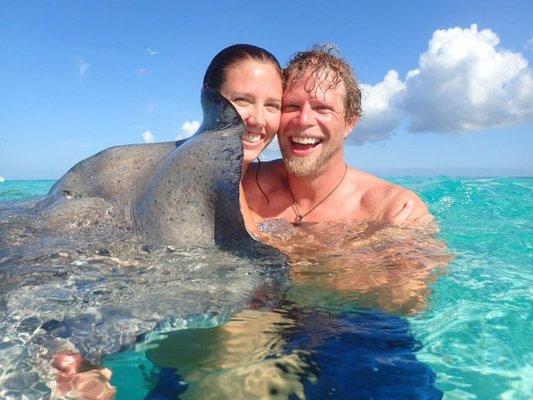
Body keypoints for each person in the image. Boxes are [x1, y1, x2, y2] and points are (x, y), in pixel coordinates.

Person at [51, 43, 283, 400]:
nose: (257, 118)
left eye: (273, 106)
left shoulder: (273, 190)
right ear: (211, 100)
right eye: (242, 100)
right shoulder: (119, 167)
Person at [242, 45, 431, 226]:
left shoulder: (392, 209)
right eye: (291, 106)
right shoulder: (239, 183)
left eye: (322, 108)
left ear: (349, 122)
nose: (303, 120)